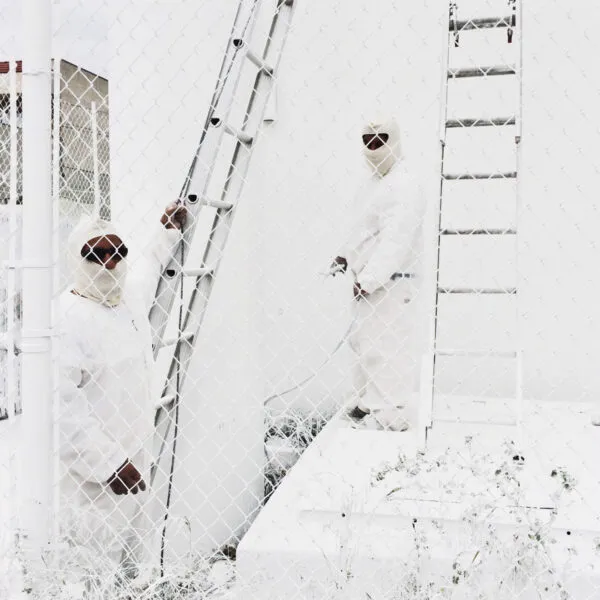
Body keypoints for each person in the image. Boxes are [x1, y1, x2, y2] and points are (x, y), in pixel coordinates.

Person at [58, 202, 186, 595]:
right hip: (92, 479)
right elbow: (59, 411)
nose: (110, 262)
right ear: (76, 259)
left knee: (129, 568)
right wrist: (110, 464)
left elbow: (147, 269)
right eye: (96, 254)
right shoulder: (65, 319)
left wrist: (166, 232)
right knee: (90, 572)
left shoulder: (124, 298)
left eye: (118, 252)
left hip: (135, 462)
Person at [330, 116, 426, 432]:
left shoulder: (404, 184)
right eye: (368, 141)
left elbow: (396, 239)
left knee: (387, 346)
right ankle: (367, 403)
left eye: (381, 139)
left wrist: (371, 278)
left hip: (390, 283)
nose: (374, 147)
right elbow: (363, 227)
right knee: (364, 344)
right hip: (366, 283)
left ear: (395, 139)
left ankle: (390, 413)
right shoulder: (374, 183)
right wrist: (345, 255)